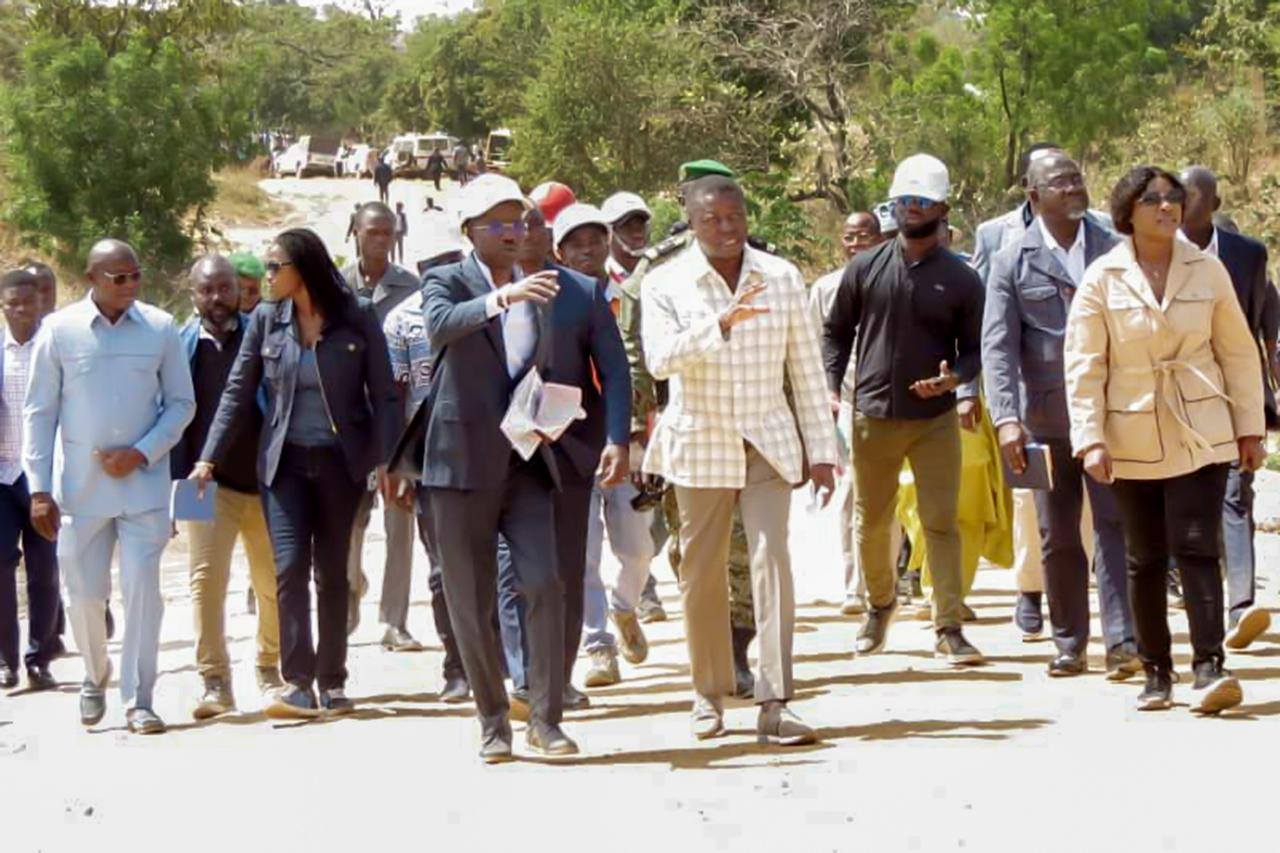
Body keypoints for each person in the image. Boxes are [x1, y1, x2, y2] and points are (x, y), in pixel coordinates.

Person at [641, 174, 838, 745]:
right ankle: (708, 694)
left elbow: (806, 369)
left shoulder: (781, 277)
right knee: (700, 571)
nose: (726, 229)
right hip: (700, 441)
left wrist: (822, 452)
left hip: (767, 441)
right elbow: (659, 360)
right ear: (691, 222)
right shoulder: (665, 282)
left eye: (735, 217)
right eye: (712, 220)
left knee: (771, 559)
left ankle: (775, 702)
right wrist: (719, 325)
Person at [1064, 165, 1265, 714]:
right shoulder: (1102, 277)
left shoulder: (1208, 269)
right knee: (1145, 555)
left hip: (1202, 427)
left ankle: (1210, 666)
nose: (1166, 206)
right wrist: (1090, 438)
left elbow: (1238, 352)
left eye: (1172, 197)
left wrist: (1249, 427)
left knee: (1198, 545)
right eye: (1152, 199)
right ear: (1127, 211)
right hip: (1130, 432)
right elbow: (1084, 364)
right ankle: (1156, 671)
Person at [194, 229, 399, 719]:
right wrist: (208, 457)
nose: (265, 276)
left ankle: (333, 680)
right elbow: (237, 391)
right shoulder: (267, 319)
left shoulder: (357, 315)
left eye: (274, 267)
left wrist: (388, 459)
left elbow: (385, 394)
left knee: (332, 573)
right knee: (288, 568)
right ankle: (298, 683)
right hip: (283, 465)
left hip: (340, 464)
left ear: (302, 269)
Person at [418, 174, 575, 762]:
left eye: (521, 222)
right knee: (471, 600)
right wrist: (503, 299)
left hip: (524, 459)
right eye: (500, 223)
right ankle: (492, 721)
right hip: (459, 465)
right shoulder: (445, 280)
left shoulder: (543, 288)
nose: (514, 233)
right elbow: (441, 325)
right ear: (471, 231)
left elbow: (535, 365)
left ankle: (546, 719)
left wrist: (552, 409)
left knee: (544, 582)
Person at [24, 239, 196, 734]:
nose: (129, 285)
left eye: (135, 275)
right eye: (118, 278)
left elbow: (182, 404)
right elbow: (40, 412)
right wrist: (39, 489)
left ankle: (139, 700)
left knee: (143, 594)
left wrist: (142, 452)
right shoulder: (59, 331)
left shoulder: (160, 327)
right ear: (91, 279)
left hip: (143, 488)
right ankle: (94, 674)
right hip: (81, 492)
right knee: (83, 595)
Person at [823, 154, 987, 666]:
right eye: (904, 201)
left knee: (941, 522)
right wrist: (830, 388)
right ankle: (879, 606)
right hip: (872, 416)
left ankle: (949, 626)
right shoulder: (865, 267)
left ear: (942, 209)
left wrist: (955, 379)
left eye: (922, 202)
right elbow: (835, 333)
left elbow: (976, 348)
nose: (911, 209)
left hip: (934, 421)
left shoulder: (962, 279)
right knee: (872, 522)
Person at [982, 152, 1139, 679]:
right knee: (1057, 534)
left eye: (1077, 179)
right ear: (1033, 195)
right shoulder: (1011, 260)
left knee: (1117, 526)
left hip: (1112, 416)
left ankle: (1123, 642)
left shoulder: (1115, 250)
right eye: (1060, 182)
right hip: (1045, 421)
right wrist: (1006, 418)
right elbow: (998, 347)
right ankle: (1069, 643)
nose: (1073, 187)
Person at [617, 158, 761, 697]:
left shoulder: (757, 262)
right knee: (695, 549)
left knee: (747, 548)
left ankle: (737, 649)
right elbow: (637, 356)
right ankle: (711, 650)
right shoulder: (657, 273)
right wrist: (638, 432)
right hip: (687, 429)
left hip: (752, 426)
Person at [172, 255, 282, 720]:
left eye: (224, 288)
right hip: (202, 485)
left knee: (272, 582)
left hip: (268, 483)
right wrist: (174, 490)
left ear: (239, 290)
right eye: (206, 289)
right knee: (205, 583)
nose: (216, 298)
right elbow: (170, 417)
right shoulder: (178, 345)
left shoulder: (265, 335)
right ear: (193, 294)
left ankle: (270, 669)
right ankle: (214, 681)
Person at [541, 201, 643, 691]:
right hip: (573, 446)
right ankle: (598, 645)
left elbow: (638, 368)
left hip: (628, 439)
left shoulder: (634, 295)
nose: (588, 251)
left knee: (637, 547)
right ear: (559, 251)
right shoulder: (549, 296)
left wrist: (635, 431)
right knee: (584, 554)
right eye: (576, 244)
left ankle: (625, 606)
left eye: (595, 241)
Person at [1178, 165, 1273, 650]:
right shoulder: (1148, 252)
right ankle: (1196, 591)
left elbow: (1257, 328)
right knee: (1186, 501)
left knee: (1237, 495)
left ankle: (1241, 605)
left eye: (1191, 194)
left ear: (1214, 204)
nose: (1179, 201)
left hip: (1234, 394)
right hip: (1174, 398)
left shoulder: (1247, 255)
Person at [383, 226, 469, 703]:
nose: (445, 270)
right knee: (441, 569)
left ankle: (500, 658)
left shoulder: (485, 305)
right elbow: (394, 396)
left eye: (451, 259)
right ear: (419, 271)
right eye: (434, 264)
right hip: (429, 460)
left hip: (486, 452)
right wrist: (396, 466)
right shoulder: (401, 322)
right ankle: (456, 665)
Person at [340, 202, 424, 649]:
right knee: (349, 523)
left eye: (387, 233)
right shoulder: (337, 286)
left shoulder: (411, 288)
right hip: (352, 424)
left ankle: (395, 620)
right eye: (371, 231)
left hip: (397, 424)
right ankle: (350, 592)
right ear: (355, 232)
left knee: (399, 522)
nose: (379, 239)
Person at [809, 210, 884, 615]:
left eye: (864, 236)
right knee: (852, 492)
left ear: (880, 239)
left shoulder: (894, 281)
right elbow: (811, 348)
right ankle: (856, 586)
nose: (856, 244)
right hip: (847, 404)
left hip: (892, 402)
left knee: (889, 495)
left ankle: (889, 579)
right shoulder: (825, 288)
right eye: (849, 237)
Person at [0, 270, 59, 691]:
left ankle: (40, 658)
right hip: (3, 475)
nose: (21, 310)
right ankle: (6, 661)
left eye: (28, 301)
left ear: (41, 301)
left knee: (44, 570)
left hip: (44, 477)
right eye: (12, 303)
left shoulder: (55, 348)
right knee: (0, 567)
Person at [394, 201, 408, 266]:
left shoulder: (403, 215)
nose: (399, 209)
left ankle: (401, 259)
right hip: (394, 233)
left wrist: (405, 231)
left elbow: (405, 224)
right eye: (398, 207)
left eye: (400, 208)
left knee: (400, 247)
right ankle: (393, 260)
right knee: (393, 247)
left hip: (400, 232)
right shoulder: (393, 215)